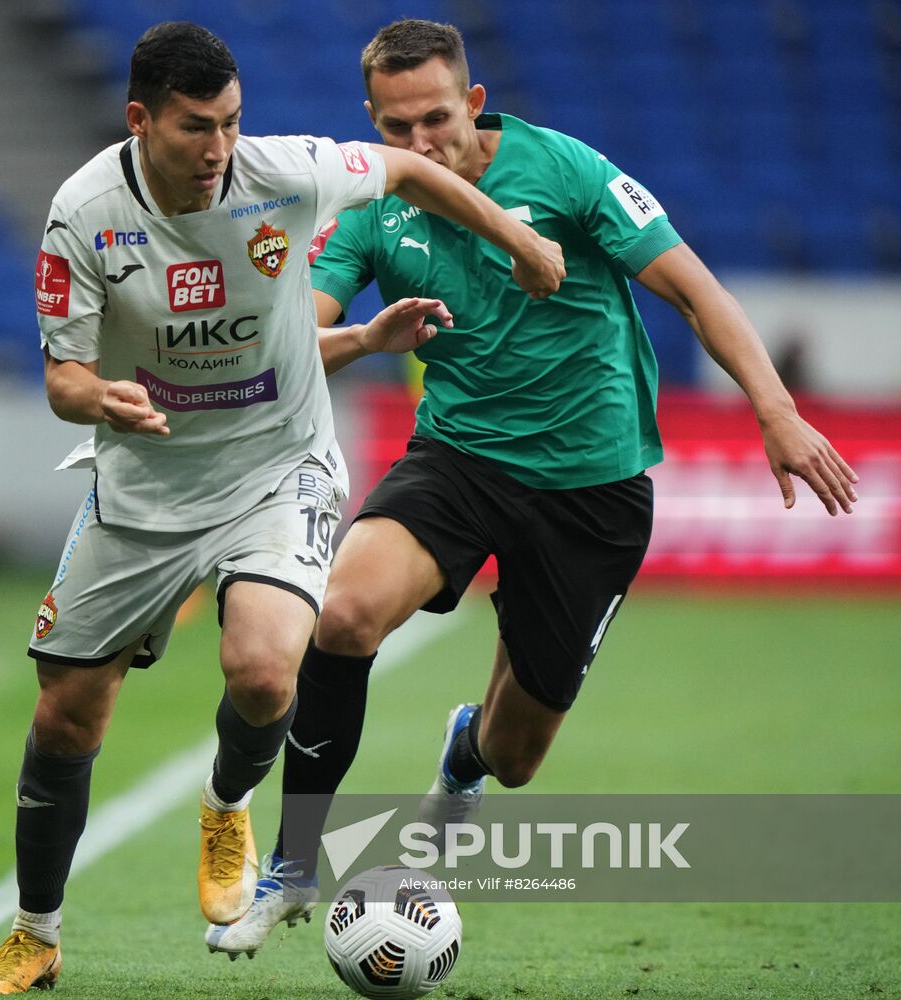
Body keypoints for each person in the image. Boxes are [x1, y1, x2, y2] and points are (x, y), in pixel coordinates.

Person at [205, 18, 859, 957]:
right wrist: (361, 339)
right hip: (458, 460)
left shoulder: (567, 173)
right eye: (396, 130)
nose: (420, 146)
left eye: (435, 120)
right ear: (370, 123)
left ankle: (462, 753)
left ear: (472, 103)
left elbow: (696, 291)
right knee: (341, 614)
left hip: (591, 489)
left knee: (514, 758)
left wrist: (776, 411)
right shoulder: (368, 207)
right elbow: (295, 339)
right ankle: (294, 861)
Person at [0, 20, 565, 994]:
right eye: (196, 128)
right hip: (145, 482)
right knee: (68, 714)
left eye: (230, 124)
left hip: (277, 470)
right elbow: (63, 377)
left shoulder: (282, 171)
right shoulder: (83, 213)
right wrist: (98, 397)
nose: (217, 150)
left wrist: (515, 236)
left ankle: (226, 802)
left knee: (260, 671)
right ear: (139, 120)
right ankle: (36, 932)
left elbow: (407, 174)